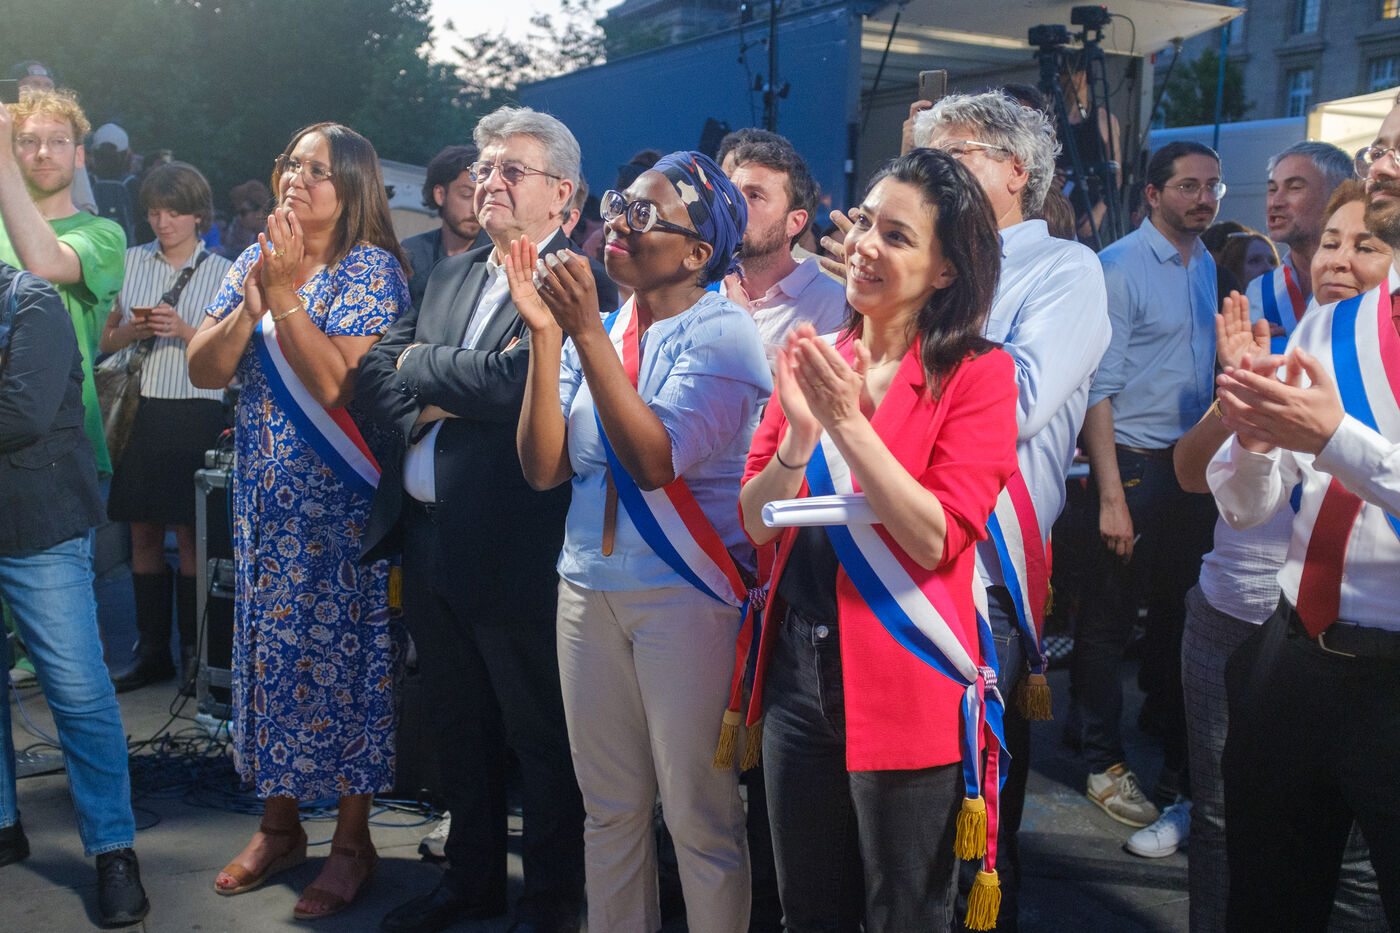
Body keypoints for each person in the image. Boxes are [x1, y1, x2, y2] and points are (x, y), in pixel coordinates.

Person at [738, 148, 1019, 932]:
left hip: (908, 671)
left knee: (905, 912)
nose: (864, 245)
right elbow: (755, 521)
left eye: (897, 236)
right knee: (807, 909)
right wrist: (801, 436)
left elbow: (937, 537)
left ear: (945, 270)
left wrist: (847, 424)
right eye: (865, 222)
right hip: (797, 674)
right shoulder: (817, 356)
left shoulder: (979, 374)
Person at [364, 106, 611, 933]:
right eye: (484, 167)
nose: (489, 181)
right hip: (428, 537)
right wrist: (439, 382)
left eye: (512, 169)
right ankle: (470, 884)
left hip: (517, 544)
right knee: (456, 726)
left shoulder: (576, 281)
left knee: (538, 737)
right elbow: (376, 374)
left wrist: (425, 369)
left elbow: (514, 388)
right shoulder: (452, 271)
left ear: (563, 194)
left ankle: (551, 903)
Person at [511, 150, 767, 933]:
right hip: (585, 588)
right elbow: (543, 467)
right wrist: (546, 335)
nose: (618, 222)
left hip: (684, 596)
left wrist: (584, 330)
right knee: (610, 807)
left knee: (697, 813)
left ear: (697, 253)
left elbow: (656, 461)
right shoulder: (610, 323)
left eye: (646, 214)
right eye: (620, 204)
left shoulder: (723, 332)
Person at [186, 122, 408, 921]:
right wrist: (250, 304)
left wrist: (281, 296)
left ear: (353, 189)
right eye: (292, 165)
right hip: (265, 508)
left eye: (319, 170)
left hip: (343, 511)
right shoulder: (253, 258)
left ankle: (351, 841)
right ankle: (278, 827)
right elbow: (203, 366)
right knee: (270, 659)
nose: (297, 179)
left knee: (349, 668)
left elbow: (338, 386)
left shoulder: (370, 269)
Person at [913, 90, 1110, 931]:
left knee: (974, 823)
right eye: (928, 154)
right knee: (894, 820)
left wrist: (908, 313)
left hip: (982, 574)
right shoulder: (921, 259)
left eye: (954, 153)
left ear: (1016, 170)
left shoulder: (1066, 268)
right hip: (891, 554)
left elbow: (1015, 403)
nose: (934, 169)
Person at [1171, 178, 1391, 931]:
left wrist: (1335, 438)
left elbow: (1341, 451)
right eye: (1331, 241)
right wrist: (1254, 433)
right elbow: (1247, 504)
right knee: (1264, 882)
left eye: (1368, 245)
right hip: (1295, 651)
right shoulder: (1321, 337)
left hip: (1390, 671)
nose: (1339, 259)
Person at [1075, 141, 1224, 829]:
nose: (1204, 198)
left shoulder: (1206, 262)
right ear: (1152, 194)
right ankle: (1099, 758)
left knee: (1177, 613)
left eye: (1212, 186)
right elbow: (1097, 390)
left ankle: (1166, 744)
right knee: (1107, 620)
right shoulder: (1118, 267)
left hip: (1192, 465)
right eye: (1189, 186)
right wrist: (1112, 496)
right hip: (1132, 464)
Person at [0, 261, 149, 926]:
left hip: (38, 522)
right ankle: (3, 824)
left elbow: (22, 414)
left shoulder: (30, 301)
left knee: (77, 690)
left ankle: (113, 848)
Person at [96, 161, 232, 694]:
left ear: (198, 214)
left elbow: (232, 357)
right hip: (140, 407)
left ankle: (197, 654)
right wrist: (134, 330)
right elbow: (104, 342)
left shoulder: (223, 271)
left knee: (192, 532)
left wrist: (183, 329)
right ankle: (151, 651)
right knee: (142, 530)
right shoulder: (130, 261)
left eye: (173, 212)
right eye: (154, 212)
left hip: (196, 409)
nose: (162, 222)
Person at [0, 87, 124, 484]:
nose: (43, 153)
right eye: (27, 141)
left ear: (80, 155)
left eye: (58, 141)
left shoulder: (104, 234)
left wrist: (3, 160)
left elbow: (45, 262)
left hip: (62, 451)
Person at [720, 132, 847, 366]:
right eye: (732, 194)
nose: (735, 207)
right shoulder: (707, 287)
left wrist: (741, 332)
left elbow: (814, 390)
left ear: (795, 222)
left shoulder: (830, 303)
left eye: (755, 196)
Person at [1247, 141, 1354, 351]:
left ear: (1338, 197)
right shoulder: (1260, 289)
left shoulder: (1367, 281)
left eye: (1294, 188)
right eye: (1272, 189)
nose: (1275, 202)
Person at [399, 144, 488, 311]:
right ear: (440, 195)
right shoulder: (412, 251)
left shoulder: (495, 257)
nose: (476, 208)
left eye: (483, 197)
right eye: (466, 195)